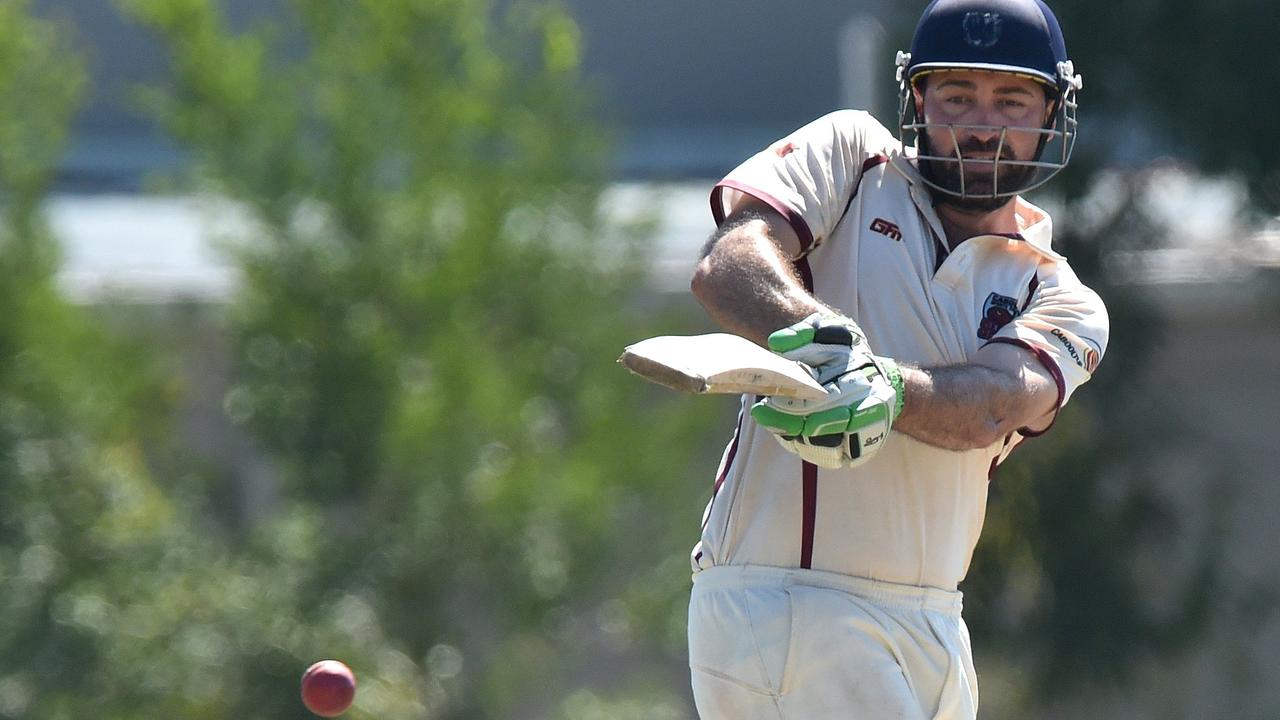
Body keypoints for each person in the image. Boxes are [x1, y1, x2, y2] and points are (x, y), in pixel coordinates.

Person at [684, 0, 1108, 718]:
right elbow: (729, 264)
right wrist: (824, 339)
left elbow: (996, 403)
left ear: (1049, 113)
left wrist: (882, 387)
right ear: (917, 98)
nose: (981, 126)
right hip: (794, 600)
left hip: (935, 618)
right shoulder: (855, 158)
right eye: (957, 96)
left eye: (1010, 100)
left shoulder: (1061, 295)